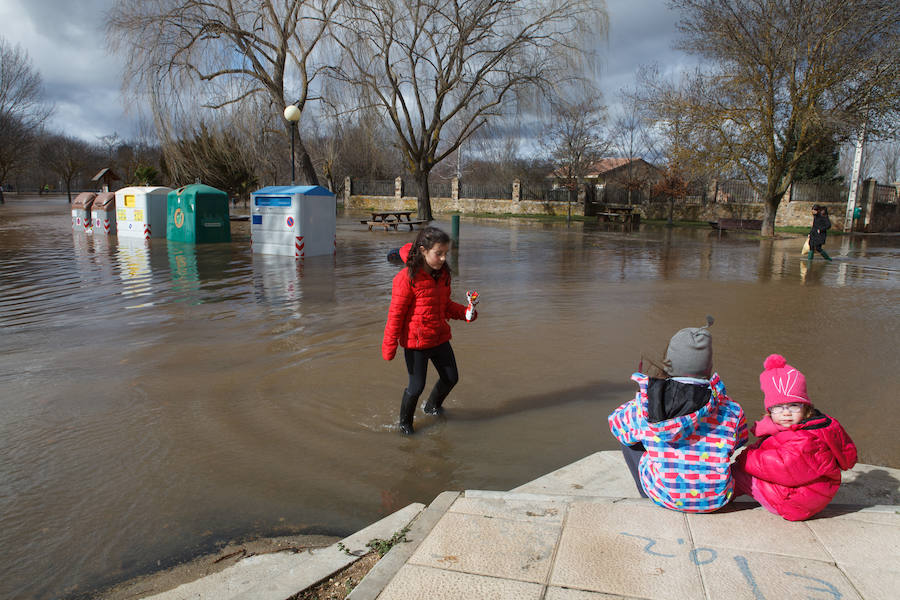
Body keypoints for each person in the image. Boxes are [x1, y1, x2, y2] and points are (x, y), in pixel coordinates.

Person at [608, 317, 748, 512]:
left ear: (669, 364)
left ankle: (647, 491)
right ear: (708, 368)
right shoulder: (731, 409)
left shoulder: (647, 403)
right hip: (717, 499)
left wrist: (638, 402)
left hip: (665, 497)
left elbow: (616, 425)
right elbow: (740, 440)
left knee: (629, 436)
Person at [732, 354, 857, 521]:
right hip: (807, 495)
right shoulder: (806, 427)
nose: (786, 412)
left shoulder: (807, 439)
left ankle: (717, 497)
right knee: (747, 468)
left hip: (795, 503)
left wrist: (745, 457)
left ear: (805, 409)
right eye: (778, 407)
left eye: (793, 406)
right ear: (770, 411)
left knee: (737, 474)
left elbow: (784, 466)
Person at [382, 226, 476, 434]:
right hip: (416, 343)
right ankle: (405, 426)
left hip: (439, 336)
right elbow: (395, 315)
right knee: (416, 387)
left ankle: (432, 407)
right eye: (438, 253)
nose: (443, 259)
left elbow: (445, 306)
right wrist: (389, 346)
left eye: (445, 254)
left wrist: (466, 312)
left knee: (451, 378)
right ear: (423, 250)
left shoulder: (442, 276)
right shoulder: (406, 279)